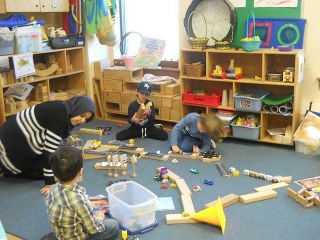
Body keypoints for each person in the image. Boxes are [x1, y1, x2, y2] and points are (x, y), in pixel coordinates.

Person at [0, 96, 95, 194]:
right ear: (77, 108)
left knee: (55, 167)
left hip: (14, 137)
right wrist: (50, 182)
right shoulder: (60, 118)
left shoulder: (64, 107)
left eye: (86, 119)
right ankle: (7, 168)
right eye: (82, 115)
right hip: (13, 145)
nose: (82, 121)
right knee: (50, 171)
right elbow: (49, 152)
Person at [42, 146, 119, 240]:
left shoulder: (53, 189)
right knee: (113, 225)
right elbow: (94, 228)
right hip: (77, 236)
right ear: (80, 172)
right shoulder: (78, 200)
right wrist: (100, 217)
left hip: (60, 232)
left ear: (55, 175)